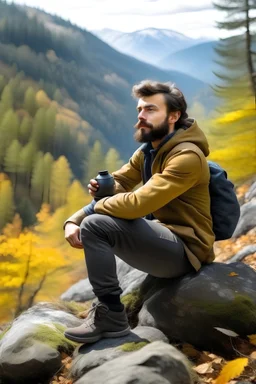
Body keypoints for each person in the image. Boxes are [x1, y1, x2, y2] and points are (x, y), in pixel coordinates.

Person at [63, 80, 215, 344]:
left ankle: (111, 316)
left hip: (186, 250)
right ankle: (109, 312)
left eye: (150, 109)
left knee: (97, 225)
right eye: (140, 110)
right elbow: (121, 182)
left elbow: (136, 205)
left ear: (173, 115)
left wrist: (91, 212)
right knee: (99, 216)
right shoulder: (149, 151)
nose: (141, 116)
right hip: (162, 239)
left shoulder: (187, 157)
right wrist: (76, 216)